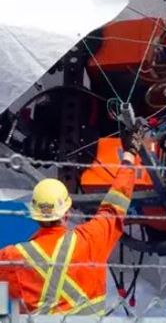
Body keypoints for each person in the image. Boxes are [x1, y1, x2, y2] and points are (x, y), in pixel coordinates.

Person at [0, 126, 144, 315]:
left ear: (36, 216)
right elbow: (115, 205)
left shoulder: (12, 257)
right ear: (66, 212)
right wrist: (129, 154)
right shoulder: (90, 240)